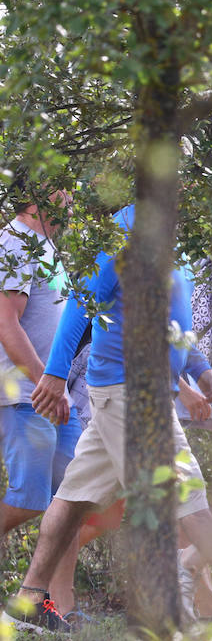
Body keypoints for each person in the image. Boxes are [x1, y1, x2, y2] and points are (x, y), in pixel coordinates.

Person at [1, 204, 212, 632]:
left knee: (71, 499)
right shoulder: (125, 230)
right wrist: (53, 372)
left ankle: (27, 602)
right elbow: (82, 304)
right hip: (130, 390)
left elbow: (170, 320)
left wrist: (200, 370)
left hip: (144, 389)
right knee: (189, 499)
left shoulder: (171, 229)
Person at [0, 187, 87, 613]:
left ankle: (60, 608)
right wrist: (44, 381)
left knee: (70, 497)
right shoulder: (14, 243)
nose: (72, 198)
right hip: (24, 393)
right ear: (40, 194)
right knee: (31, 498)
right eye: (64, 189)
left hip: (58, 393)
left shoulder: (47, 246)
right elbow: (6, 322)